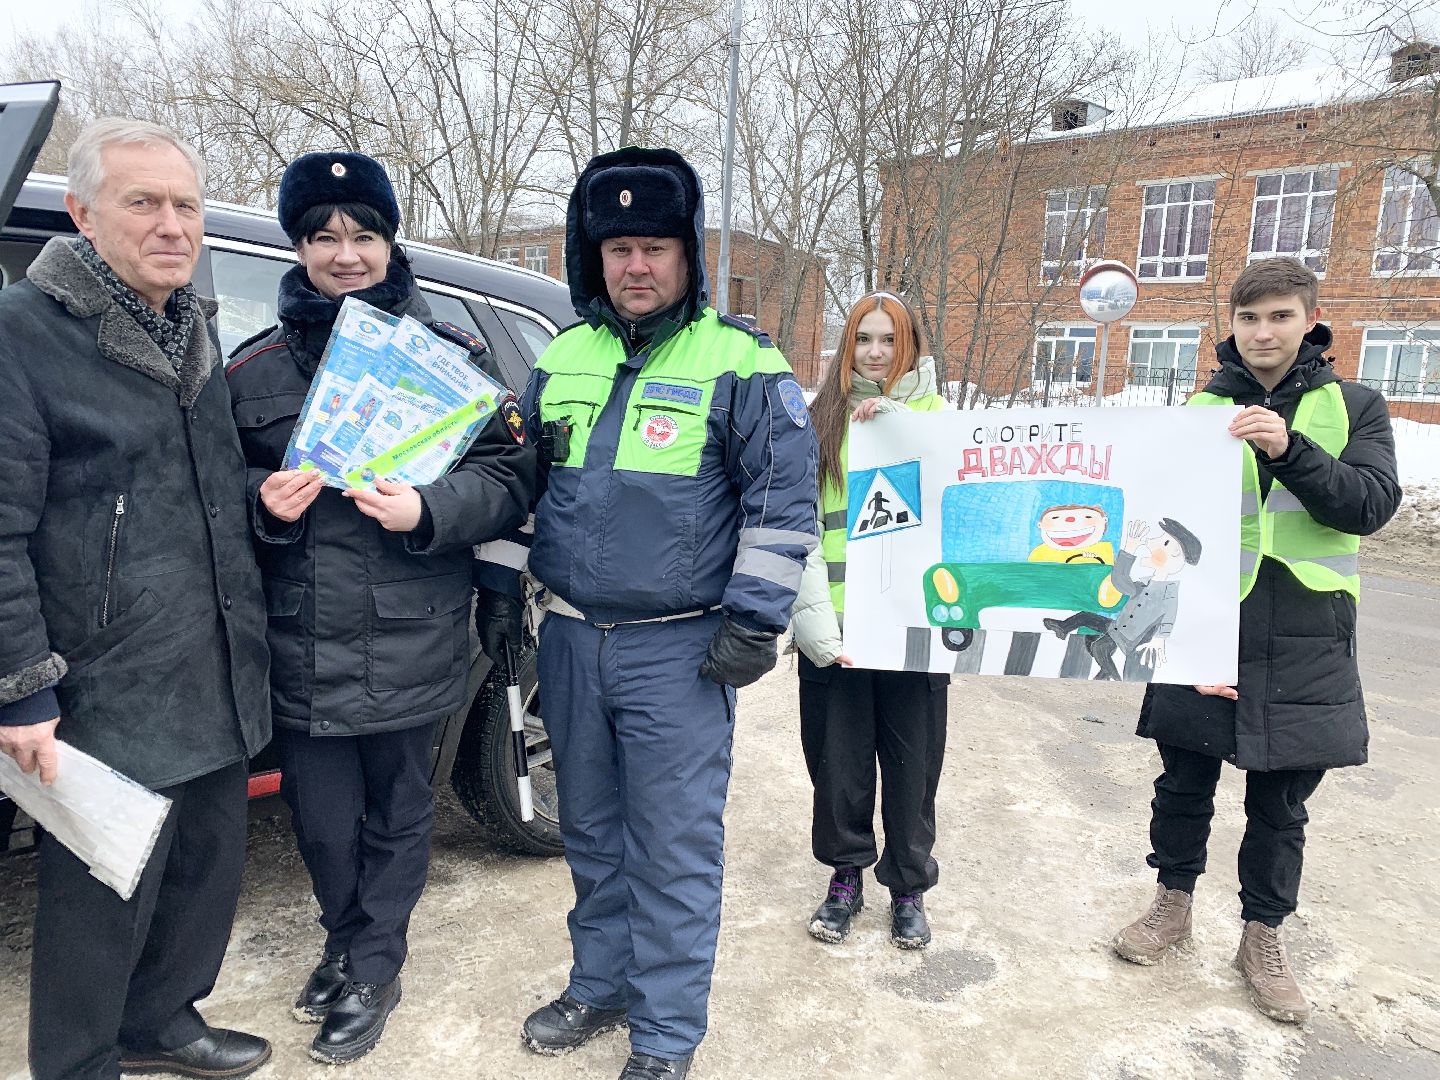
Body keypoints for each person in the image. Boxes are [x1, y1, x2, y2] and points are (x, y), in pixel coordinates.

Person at [474, 147, 817, 1080]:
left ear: (687, 257)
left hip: (682, 652)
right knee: (587, 829)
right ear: (595, 256)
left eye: (655, 247)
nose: (636, 266)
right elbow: (521, 491)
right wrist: (503, 593)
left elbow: (782, 504)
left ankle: (665, 1036)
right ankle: (602, 983)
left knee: (671, 849)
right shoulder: (561, 357)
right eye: (618, 247)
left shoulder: (742, 360)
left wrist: (755, 616)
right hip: (575, 642)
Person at [224, 152, 534, 1064]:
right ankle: (344, 937)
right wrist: (260, 502)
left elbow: (510, 478)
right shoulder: (253, 371)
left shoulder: (448, 360)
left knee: (399, 810)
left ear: (391, 241)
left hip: (412, 632)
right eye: (325, 237)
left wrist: (429, 509)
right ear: (299, 247)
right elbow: (210, 486)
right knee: (320, 819)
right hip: (302, 638)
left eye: (364, 234)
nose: (346, 253)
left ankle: (373, 966)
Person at [0, 119, 272, 1080]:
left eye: (186, 205)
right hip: (99, 681)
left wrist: (263, 508)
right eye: (143, 202)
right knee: (99, 892)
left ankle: (164, 1019)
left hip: (209, 662)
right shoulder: (22, 336)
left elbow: (189, 495)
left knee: (203, 872)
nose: (172, 225)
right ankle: (78, 1062)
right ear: (80, 213)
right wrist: (21, 689)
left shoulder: (189, 325)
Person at [1110, 257, 1401, 1023]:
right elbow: (1146, 514)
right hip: (1203, 624)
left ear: (1310, 318)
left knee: (1281, 805)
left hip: (1305, 635)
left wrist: (1288, 450)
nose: (1263, 332)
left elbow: (1369, 507)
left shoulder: (1357, 407)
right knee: (1182, 784)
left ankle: (1262, 937)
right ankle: (1172, 905)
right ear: (1230, 327)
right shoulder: (1197, 407)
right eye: (1248, 318)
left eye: (1279, 316)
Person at [789, 291, 951, 949]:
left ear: (910, 344)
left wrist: (906, 430)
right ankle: (845, 876)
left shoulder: (940, 417)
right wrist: (814, 626)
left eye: (889, 339)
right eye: (864, 339)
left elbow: (964, 504)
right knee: (837, 763)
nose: (876, 353)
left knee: (913, 768)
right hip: (839, 629)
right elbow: (797, 523)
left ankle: (908, 888)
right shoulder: (819, 418)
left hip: (913, 632)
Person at [1043, 516, 1202, 681]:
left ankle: (1115, 679)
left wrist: (1160, 639)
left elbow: (1170, 616)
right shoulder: (1143, 585)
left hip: (1129, 638)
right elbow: (1120, 582)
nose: (1151, 543)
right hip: (1116, 628)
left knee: (1098, 648)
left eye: (1164, 542)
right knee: (1085, 617)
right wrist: (1129, 549)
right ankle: (1064, 629)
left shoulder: (1169, 592)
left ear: (1175, 553)